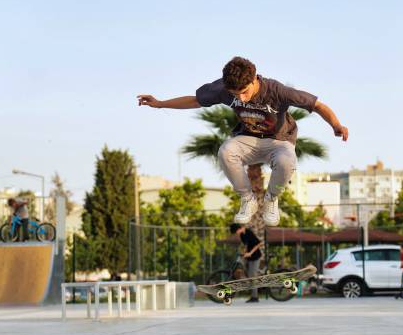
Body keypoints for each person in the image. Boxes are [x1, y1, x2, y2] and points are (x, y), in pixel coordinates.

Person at [138, 57, 348, 226]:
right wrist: (160, 104)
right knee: (225, 151)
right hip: (247, 139)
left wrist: (336, 125)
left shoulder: (278, 91)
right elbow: (195, 100)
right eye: (236, 94)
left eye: (245, 92)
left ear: (255, 78)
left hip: (279, 141)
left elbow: (318, 105)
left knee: (286, 161)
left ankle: (271, 199)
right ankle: (248, 199)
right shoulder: (223, 89)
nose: (242, 99)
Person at [230, 223, 263, 303]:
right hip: (249, 257)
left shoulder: (249, 232)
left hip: (256, 256)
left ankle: (255, 297)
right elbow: (246, 245)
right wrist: (244, 253)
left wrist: (250, 253)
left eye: (236, 232)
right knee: (250, 275)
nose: (236, 233)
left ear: (239, 228)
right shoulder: (242, 235)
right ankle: (253, 295)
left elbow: (259, 243)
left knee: (252, 276)